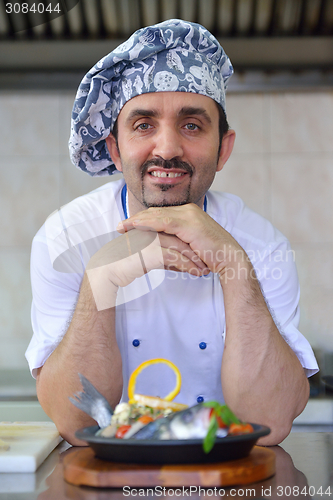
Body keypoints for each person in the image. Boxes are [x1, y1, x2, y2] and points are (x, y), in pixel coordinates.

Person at [25, 19, 318, 446]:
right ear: (115, 148)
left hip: (224, 479)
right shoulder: (65, 237)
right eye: (143, 125)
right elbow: (77, 426)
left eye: (192, 125)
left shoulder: (262, 245)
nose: (167, 148)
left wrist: (234, 267)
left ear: (224, 149)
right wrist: (99, 281)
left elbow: (269, 425)